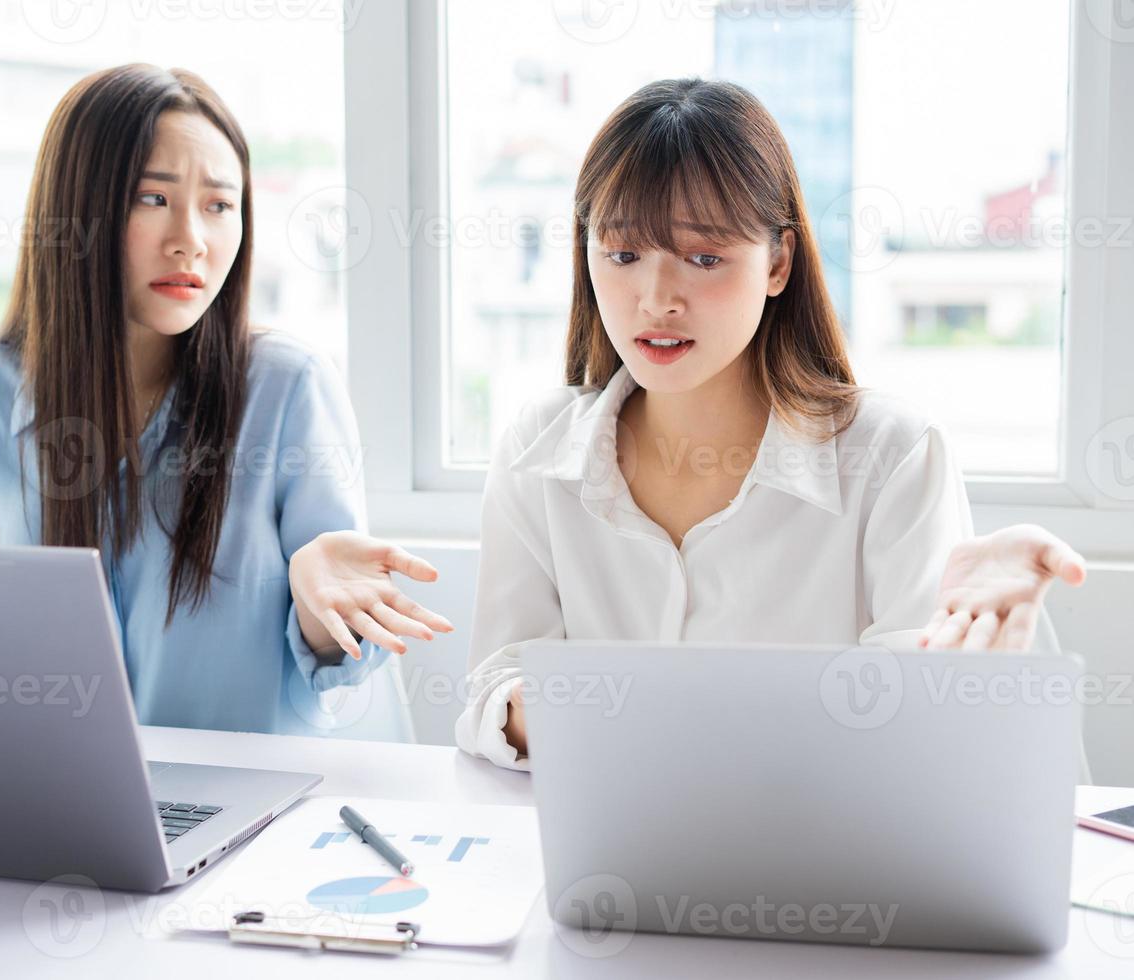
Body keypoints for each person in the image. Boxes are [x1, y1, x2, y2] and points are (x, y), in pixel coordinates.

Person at [455, 78, 1086, 770]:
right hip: (607, 862)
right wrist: (542, 713)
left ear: (778, 262)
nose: (657, 299)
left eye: (704, 258)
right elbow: (494, 688)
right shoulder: (536, 449)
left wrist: (993, 658)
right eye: (623, 254)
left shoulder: (894, 456)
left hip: (825, 866)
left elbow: (922, 740)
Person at [0, 64, 451, 741]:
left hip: (255, 806)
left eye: (219, 205)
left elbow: (338, 664)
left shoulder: (286, 387)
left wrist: (323, 607)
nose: (191, 241)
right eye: (153, 199)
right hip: (53, 804)